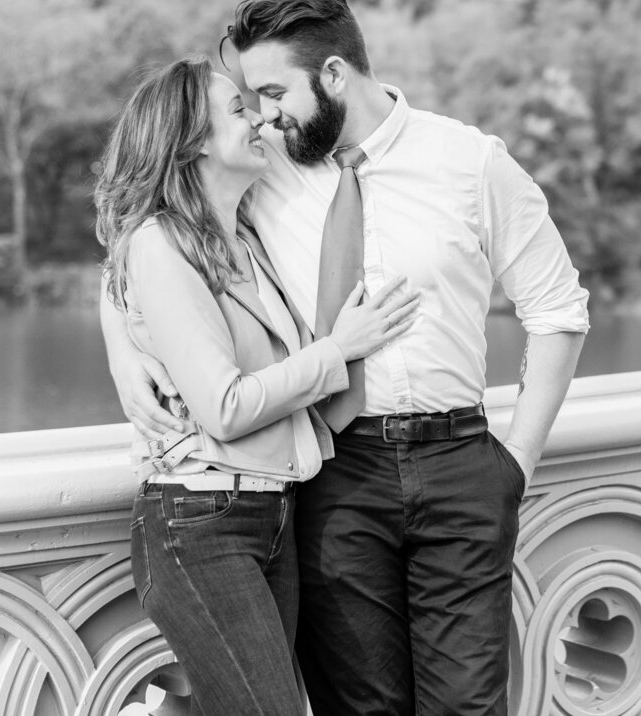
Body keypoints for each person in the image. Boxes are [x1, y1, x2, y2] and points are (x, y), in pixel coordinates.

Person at [104, 0, 590, 716]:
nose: (262, 117)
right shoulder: (267, 172)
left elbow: (558, 310)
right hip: (334, 473)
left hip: (460, 463)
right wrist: (122, 345)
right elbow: (146, 216)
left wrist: (515, 463)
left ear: (332, 74)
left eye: (272, 93)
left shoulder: (470, 162)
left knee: (467, 706)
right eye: (250, 101)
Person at [95, 55, 419, 715]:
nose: (260, 118)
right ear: (192, 142)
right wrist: (339, 349)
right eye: (239, 110)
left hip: (273, 515)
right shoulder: (163, 244)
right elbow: (224, 407)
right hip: (199, 524)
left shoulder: (241, 235)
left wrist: (119, 340)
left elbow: (115, 272)